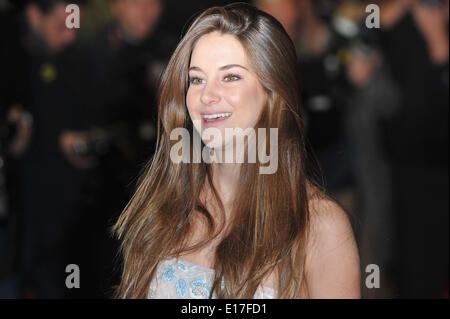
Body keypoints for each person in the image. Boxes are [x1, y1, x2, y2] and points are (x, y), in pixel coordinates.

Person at [113, 3, 360, 299]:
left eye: (230, 77)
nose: (207, 95)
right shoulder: (165, 198)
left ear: (273, 92)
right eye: (196, 79)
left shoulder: (319, 226)